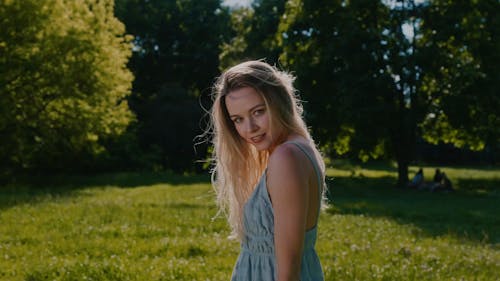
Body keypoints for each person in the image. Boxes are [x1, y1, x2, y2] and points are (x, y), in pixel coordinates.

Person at [208, 60, 325, 280]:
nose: (250, 128)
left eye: (258, 112)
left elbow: (289, 266)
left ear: (278, 102)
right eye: (238, 120)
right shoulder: (298, 147)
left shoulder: (286, 157)